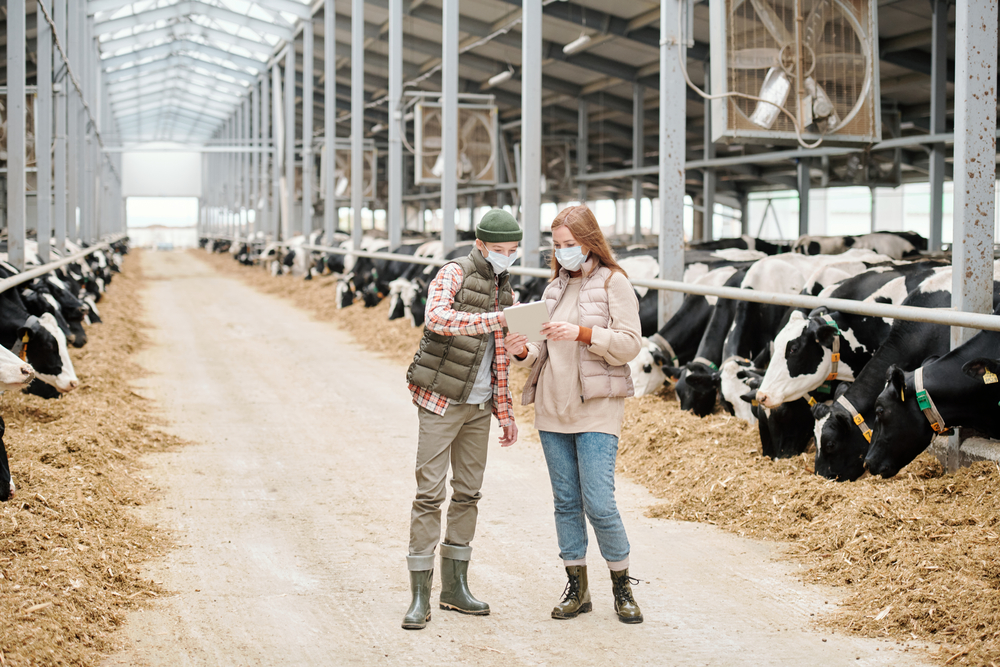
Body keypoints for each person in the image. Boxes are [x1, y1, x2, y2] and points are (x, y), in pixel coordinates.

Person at [505, 204, 644, 624]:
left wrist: (583, 333)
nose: (563, 252)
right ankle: (577, 587)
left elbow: (630, 344)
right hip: (552, 406)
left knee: (600, 502)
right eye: (558, 245)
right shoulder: (553, 291)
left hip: (597, 408)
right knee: (566, 502)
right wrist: (521, 350)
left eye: (570, 244)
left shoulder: (614, 283)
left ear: (589, 242)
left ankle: (621, 586)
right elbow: (538, 352)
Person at [402, 209, 521, 630]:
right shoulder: (454, 272)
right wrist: (497, 320)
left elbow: (505, 353)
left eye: (514, 250)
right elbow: (435, 317)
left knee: (469, 493)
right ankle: (420, 597)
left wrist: (505, 410)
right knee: (429, 494)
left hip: (480, 406)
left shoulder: (509, 289)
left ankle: (454, 589)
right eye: (501, 250)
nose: (507, 257)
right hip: (441, 399)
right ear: (481, 244)